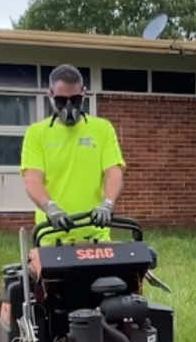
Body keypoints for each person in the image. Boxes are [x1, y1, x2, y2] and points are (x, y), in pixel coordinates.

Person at [20, 64, 125, 243]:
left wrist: (107, 204)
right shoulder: (37, 133)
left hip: (95, 236)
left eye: (75, 100)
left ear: (83, 94)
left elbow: (113, 172)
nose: (69, 106)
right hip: (52, 237)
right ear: (51, 95)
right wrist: (50, 207)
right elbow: (32, 179)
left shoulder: (102, 129)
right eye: (61, 101)